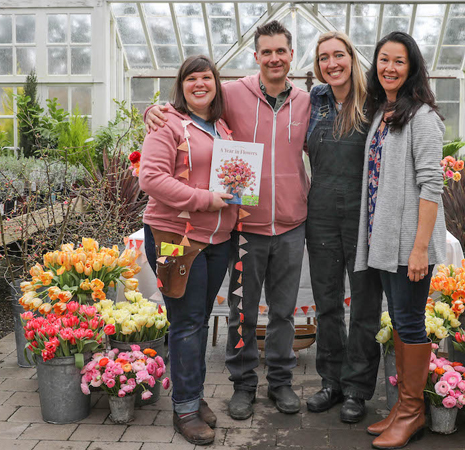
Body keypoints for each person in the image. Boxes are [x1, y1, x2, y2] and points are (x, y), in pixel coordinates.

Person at [144, 21, 311, 420]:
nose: (274, 58)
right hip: (235, 231)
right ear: (255, 57)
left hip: (286, 223)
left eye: (281, 51)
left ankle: (280, 383)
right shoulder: (232, 94)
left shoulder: (306, 101)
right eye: (265, 51)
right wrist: (155, 110)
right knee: (237, 312)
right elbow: (153, 171)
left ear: (291, 55)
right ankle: (241, 386)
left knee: (281, 313)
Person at [354, 31, 447, 450]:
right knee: (402, 318)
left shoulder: (422, 118)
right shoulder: (383, 113)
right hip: (385, 240)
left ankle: (412, 412)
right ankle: (403, 407)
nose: (389, 68)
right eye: (383, 60)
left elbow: (432, 184)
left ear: (412, 69)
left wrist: (420, 248)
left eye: (399, 61)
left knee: (409, 322)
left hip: (410, 244)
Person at [138, 55, 237, 446]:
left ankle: (192, 396)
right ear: (181, 86)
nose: (200, 83)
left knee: (198, 318)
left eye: (206, 77)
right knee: (186, 322)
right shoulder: (167, 124)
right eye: (191, 78)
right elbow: (150, 178)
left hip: (217, 240)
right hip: (173, 237)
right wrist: (204, 198)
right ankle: (184, 409)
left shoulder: (222, 128)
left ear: (216, 83)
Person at [304, 31, 383, 424]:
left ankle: (357, 388)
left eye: (338, 55)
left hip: (362, 215)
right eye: (323, 58)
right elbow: (248, 97)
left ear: (352, 58)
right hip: (319, 210)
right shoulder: (313, 101)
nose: (331, 64)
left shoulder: (376, 102)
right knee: (328, 303)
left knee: (365, 304)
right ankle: (330, 381)